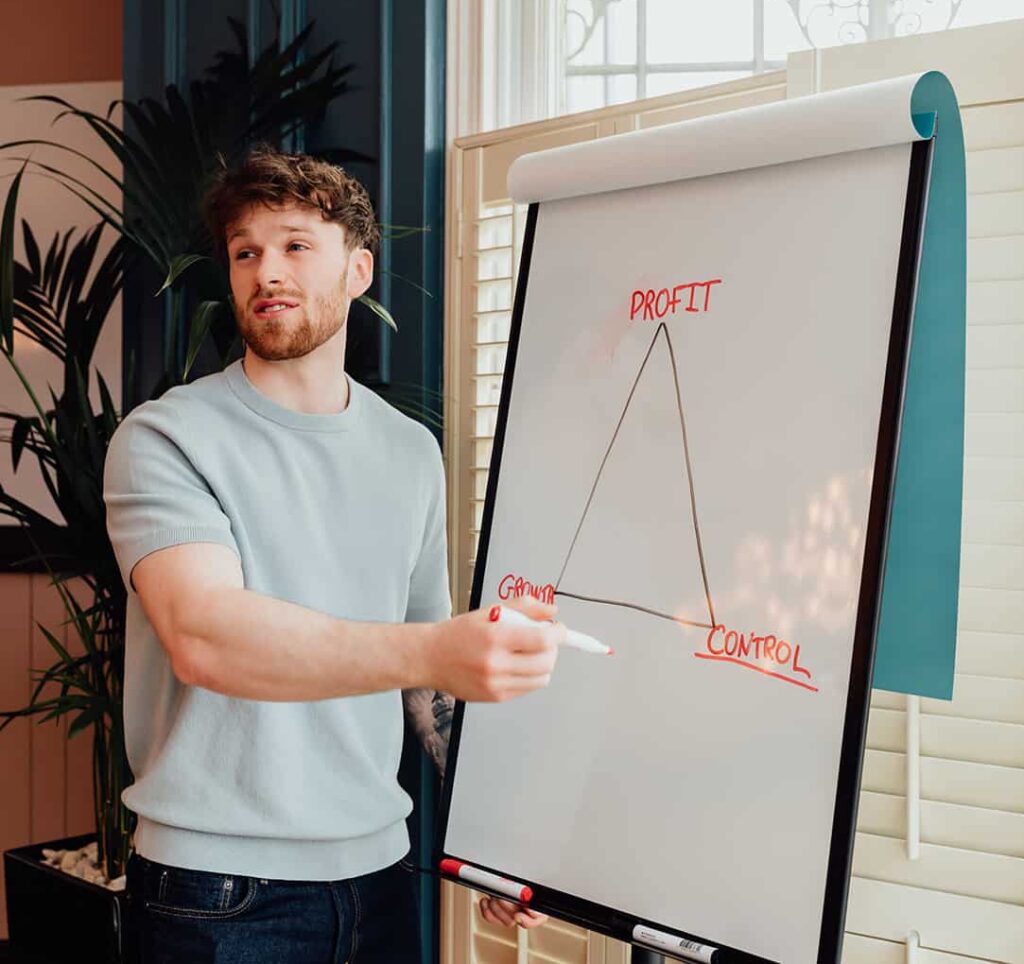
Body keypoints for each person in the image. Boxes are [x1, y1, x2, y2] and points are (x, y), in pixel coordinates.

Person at [103, 146, 563, 963]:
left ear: (358, 270)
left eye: (294, 246)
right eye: (245, 252)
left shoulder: (411, 452)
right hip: (214, 894)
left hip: (381, 878)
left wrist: (495, 836)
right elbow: (205, 637)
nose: (266, 272)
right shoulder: (165, 437)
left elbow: (426, 685)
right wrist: (438, 650)